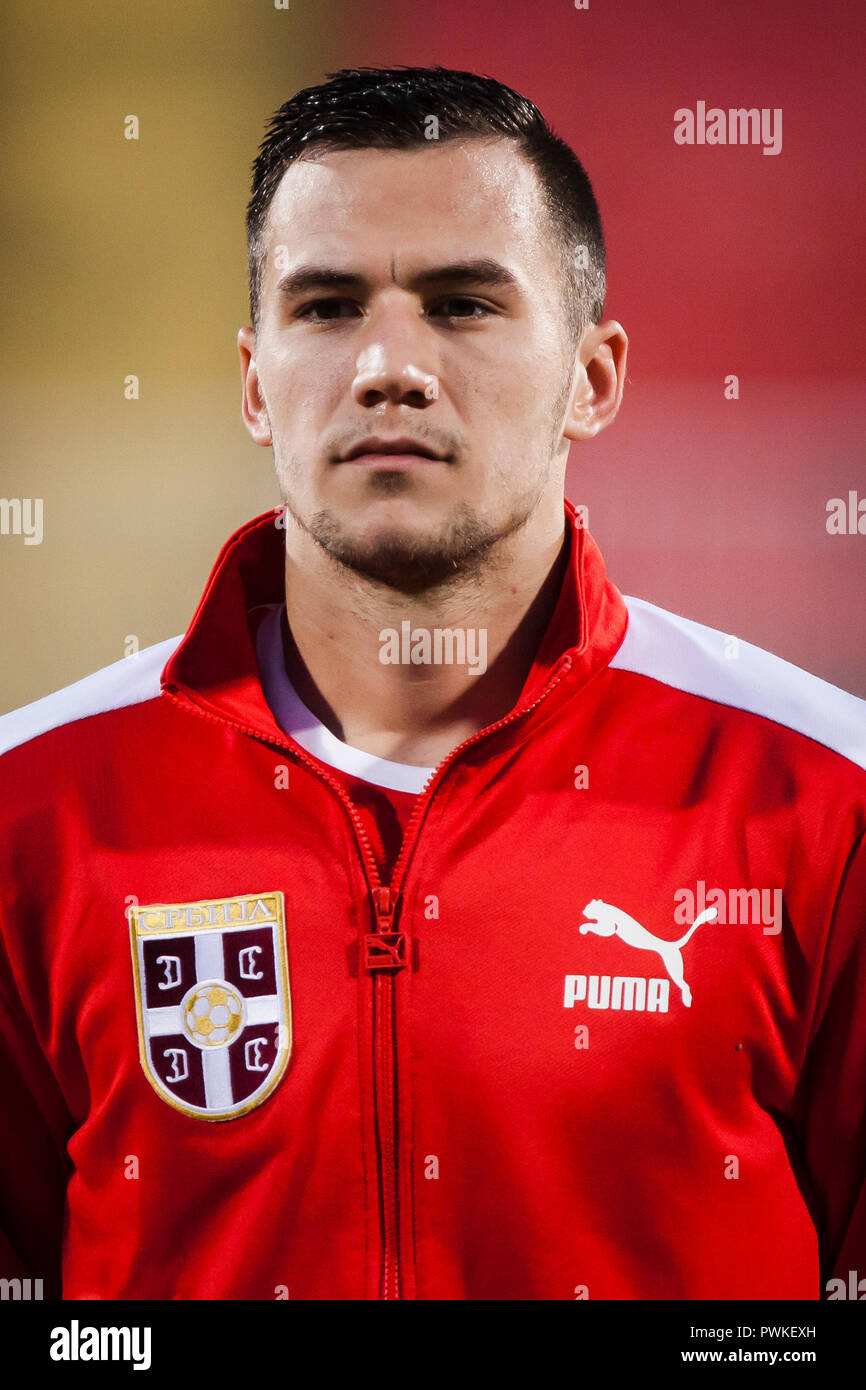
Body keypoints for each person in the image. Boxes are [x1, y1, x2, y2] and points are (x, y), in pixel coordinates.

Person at [0, 65, 863, 1302]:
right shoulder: (30, 812)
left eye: (460, 305)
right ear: (254, 382)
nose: (385, 368)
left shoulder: (824, 801)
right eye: (327, 306)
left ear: (593, 378)